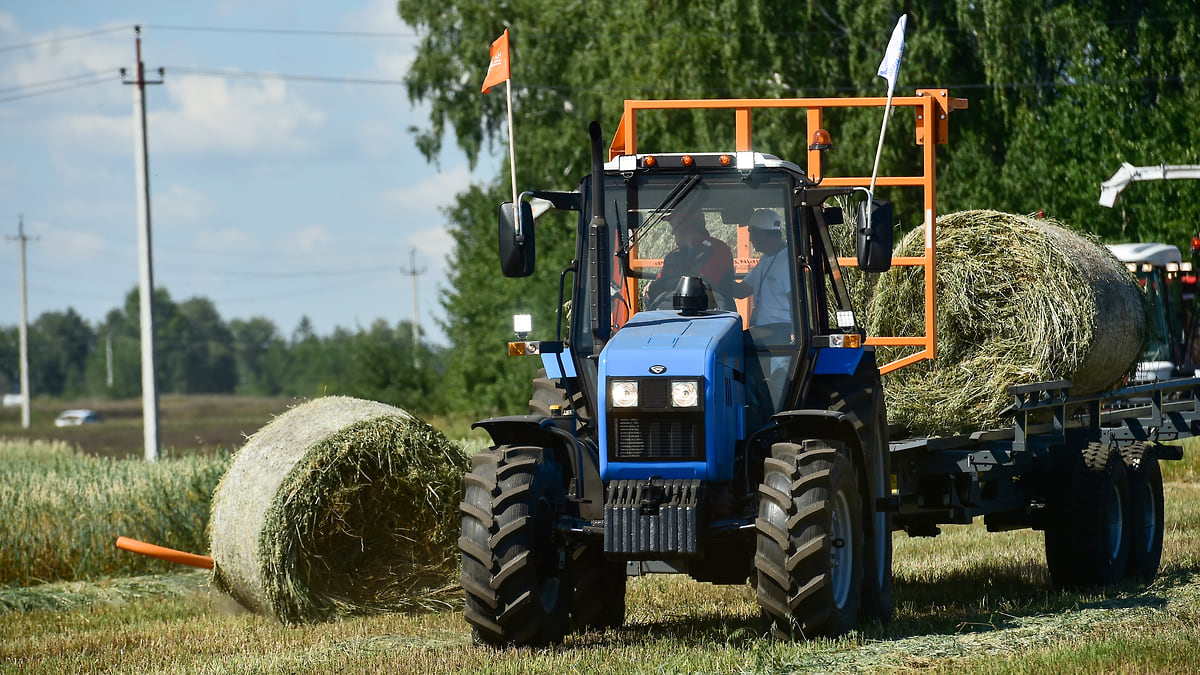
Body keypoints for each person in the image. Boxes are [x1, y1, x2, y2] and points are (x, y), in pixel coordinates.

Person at [643, 208, 735, 307]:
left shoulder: (718, 250)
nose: (672, 233)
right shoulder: (673, 256)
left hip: (713, 314)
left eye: (674, 227)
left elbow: (701, 285)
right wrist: (652, 286)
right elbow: (662, 281)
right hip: (673, 311)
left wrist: (664, 285)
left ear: (687, 226)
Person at [734, 209, 791, 326]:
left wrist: (794, 332)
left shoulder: (787, 261)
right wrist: (714, 283)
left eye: (752, 233)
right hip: (763, 327)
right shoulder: (765, 259)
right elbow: (742, 291)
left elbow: (795, 301)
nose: (750, 239)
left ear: (763, 234)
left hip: (780, 328)